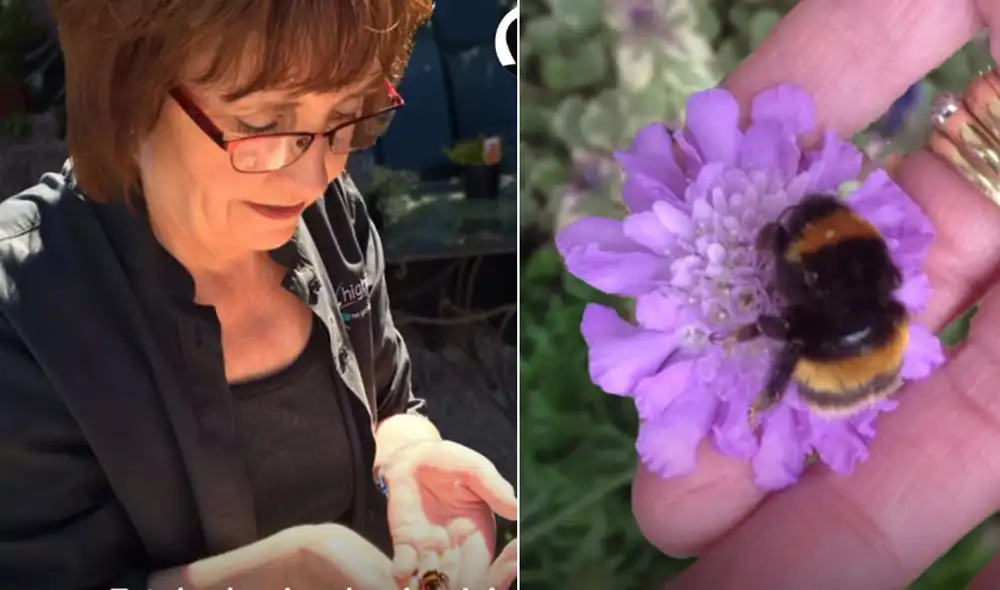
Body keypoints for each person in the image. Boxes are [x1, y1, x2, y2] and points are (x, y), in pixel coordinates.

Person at [0, 0, 517, 589]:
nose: (312, 176)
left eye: (349, 117)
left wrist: (405, 458)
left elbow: (391, 402)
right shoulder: (24, 312)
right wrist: (275, 573)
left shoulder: (331, 216)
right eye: (265, 124)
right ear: (130, 91)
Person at [631, 0, 1000, 588]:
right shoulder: (851, 269)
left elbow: (814, 308)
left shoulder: (825, 288)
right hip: (855, 347)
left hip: (848, 353)